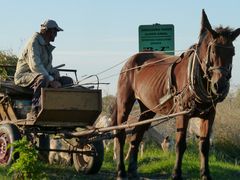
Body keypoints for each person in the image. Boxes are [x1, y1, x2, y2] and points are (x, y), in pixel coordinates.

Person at [14, 19, 73, 119]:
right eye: (54, 32)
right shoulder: (34, 42)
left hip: (37, 74)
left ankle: (60, 109)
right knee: (43, 78)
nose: (56, 35)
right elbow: (35, 66)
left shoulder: (46, 45)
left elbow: (47, 67)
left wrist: (55, 73)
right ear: (47, 31)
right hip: (24, 76)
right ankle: (34, 110)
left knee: (68, 81)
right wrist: (51, 81)